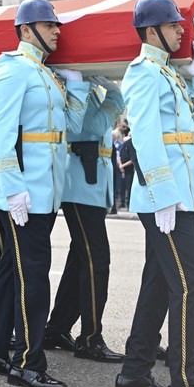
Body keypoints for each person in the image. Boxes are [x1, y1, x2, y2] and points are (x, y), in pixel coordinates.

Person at [115, 0, 194, 387]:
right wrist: (163, 195)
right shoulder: (144, 73)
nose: (183, 30)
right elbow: (144, 138)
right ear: (152, 31)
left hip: (189, 196)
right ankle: (183, 386)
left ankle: (134, 371)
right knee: (188, 283)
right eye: (175, 25)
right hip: (167, 199)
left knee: (161, 282)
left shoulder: (172, 76)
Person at [0, 0, 89, 387]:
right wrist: (13, 189)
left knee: (11, 271)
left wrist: (80, 86)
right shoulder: (12, 67)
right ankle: (27, 363)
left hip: (45, 190)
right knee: (33, 276)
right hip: (24, 193)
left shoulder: (46, 74)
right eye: (50, 24)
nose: (58, 30)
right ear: (26, 30)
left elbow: (67, 130)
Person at [45, 76, 125, 363]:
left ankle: (56, 329)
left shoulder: (90, 89)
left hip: (92, 186)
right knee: (96, 260)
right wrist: (115, 92)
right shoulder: (73, 87)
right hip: (78, 187)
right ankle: (90, 338)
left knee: (80, 259)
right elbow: (92, 127)